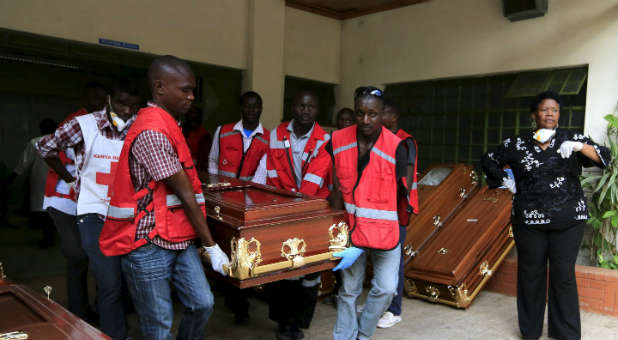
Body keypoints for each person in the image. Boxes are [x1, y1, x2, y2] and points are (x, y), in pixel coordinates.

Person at [99, 55, 230, 340]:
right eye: (185, 89)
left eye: (193, 90)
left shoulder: (170, 124)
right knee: (158, 327)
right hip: (147, 243)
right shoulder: (152, 132)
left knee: (202, 303)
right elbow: (184, 192)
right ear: (159, 87)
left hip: (178, 236)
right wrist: (211, 246)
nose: (191, 97)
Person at [481, 91, 610, 340]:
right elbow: (488, 159)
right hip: (529, 221)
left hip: (568, 219)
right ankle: (530, 331)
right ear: (534, 114)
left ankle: (566, 333)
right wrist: (504, 180)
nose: (550, 113)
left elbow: (605, 156)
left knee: (563, 275)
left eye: (555, 110)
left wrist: (579, 146)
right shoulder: (516, 143)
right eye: (544, 109)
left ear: (559, 114)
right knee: (530, 274)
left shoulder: (571, 138)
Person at [37, 80, 140, 339]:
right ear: (109, 100)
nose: (126, 111)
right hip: (93, 214)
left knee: (127, 280)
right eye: (120, 104)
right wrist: (73, 180)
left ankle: (114, 325)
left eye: (132, 106)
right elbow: (45, 147)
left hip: (127, 215)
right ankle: (114, 334)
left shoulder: (140, 126)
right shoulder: (83, 124)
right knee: (109, 282)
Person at [329, 86, 408, 340]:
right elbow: (336, 187)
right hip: (352, 231)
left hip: (385, 236)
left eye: (372, 114)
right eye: (360, 113)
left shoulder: (398, 147)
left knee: (386, 289)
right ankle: (345, 337)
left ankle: (362, 334)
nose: (365, 120)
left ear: (383, 114)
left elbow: (402, 197)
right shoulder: (338, 140)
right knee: (348, 291)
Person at [265, 90, 332, 340]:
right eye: (301, 105)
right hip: (283, 211)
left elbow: (314, 180)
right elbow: (272, 171)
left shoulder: (324, 139)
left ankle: (301, 321)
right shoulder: (276, 134)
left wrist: (296, 204)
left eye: (311, 106)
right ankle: (284, 323)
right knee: (286, 269)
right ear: (293, 107)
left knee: (310, 271)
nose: (305, 110)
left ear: (317, 111)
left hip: (312, 212)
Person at [37, 81, 106, 319]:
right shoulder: (76, 122)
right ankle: (78, 312)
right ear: (85, 97)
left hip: (89, 202)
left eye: (103, 99)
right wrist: (69, 179)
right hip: (63, 199)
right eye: (95, 99)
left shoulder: (103, 124)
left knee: (95, 256)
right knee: (77, 255)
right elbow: (44, 148)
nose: (100, 104)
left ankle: (93, 309)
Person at [376, 100, 419, 329]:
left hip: (396, 209)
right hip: (378, 209)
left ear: (394, 116)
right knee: (380, 258)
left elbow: (407, 180)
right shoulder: (380, 139)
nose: (380, 116)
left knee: (394, 259)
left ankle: (395, 310)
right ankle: (380, 304)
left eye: (384, 113)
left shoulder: (404, 141)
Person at [10, 118, 57, 248]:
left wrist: (12, 177)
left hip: (40, 182)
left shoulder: (35, 142)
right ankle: (50, 236)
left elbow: (24, 163)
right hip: (59, 182)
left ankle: (48, 237)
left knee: (43, 211)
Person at [208, 91, 268, 183]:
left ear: (261, 109)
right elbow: (213, 160)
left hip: (250, 194)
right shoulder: (222, 131)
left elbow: (263, 173)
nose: (251, 110)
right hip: (222, 192)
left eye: (255, 107)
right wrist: (214, 184)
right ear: (241, 108)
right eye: (247, 106)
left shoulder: (268, 139)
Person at [183, 106, 212, 171]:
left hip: (196, 169)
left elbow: (203, 160)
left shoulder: (204, 135)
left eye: (195, 117)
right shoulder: (182, 132)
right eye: (190, 116)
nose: (192, 117)